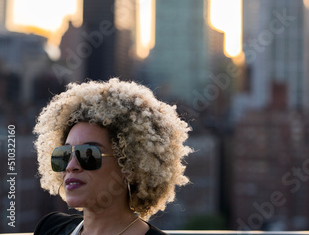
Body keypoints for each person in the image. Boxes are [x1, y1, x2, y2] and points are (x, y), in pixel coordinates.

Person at [33, 78, 192, 235]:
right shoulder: (50, 229)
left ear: (129, 167)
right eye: (64, 154)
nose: (70, 166)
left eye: (88, 154)